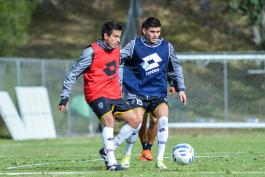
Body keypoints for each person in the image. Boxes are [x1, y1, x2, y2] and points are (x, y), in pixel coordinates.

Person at [58, 21, 141, 171]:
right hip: (96, 94)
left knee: (136, 121)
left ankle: (108, 149)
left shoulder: (117, 50)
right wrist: (65, 96)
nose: (117, 40)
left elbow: (120, 67)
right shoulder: (90, 52)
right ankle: (111, 163)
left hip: (114, 94)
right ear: (105, 36)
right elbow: (73, 73)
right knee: (109, 121)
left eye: (119, 37)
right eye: (115, 37)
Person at [120, 17, 187, 169]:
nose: (155, 34)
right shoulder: (134, 45)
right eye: (152, 31)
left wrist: (179, 87)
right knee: (137, 123)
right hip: (137, 92)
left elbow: (175, 67)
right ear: (144, 31)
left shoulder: (167, 47)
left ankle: (160, 160)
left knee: (162, 120)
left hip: (157, 92)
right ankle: (127, 155)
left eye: (158, 31)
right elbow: (118, 58)